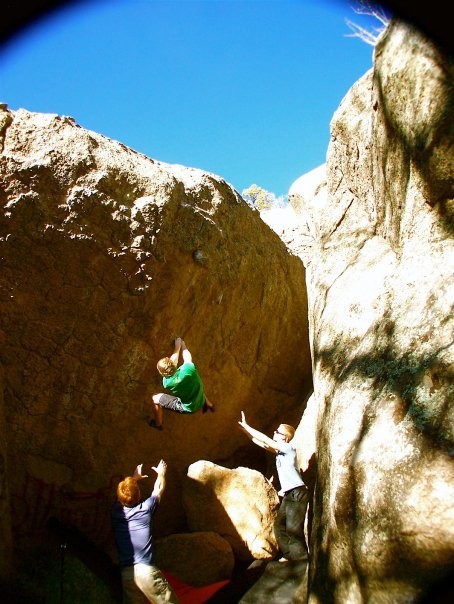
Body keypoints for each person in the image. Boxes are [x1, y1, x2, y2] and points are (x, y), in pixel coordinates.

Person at [238, 411, 309, 562]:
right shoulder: (279, 452)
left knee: (293, 530)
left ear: (285, 437)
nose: (274, 433)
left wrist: (248, 427)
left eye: (278, 432)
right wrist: (246, 432)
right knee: (279, 528)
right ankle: (291, 557)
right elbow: (261, 443)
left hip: (298, 493)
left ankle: (302, 561)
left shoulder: (289, 448)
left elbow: (266, 440)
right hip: (289, 495)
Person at [111, 461, 180, 604]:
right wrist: (161, 474)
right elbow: (158, 489)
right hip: (146, 572)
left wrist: (134, 479)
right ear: (138, 496)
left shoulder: (116, 512)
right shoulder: (145, 509)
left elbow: (122, 496)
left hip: (127, 576)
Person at [150, 337, 214, 430]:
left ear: (163, 374)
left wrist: (177, 348)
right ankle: (209, 405)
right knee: (195, 385)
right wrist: (181, 345)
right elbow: (186, 357)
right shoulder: (189, 369)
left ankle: (158, 424)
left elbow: (173, 362)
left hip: (188, 408)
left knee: (155, 398)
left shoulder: (167, 382)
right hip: (199, 398)